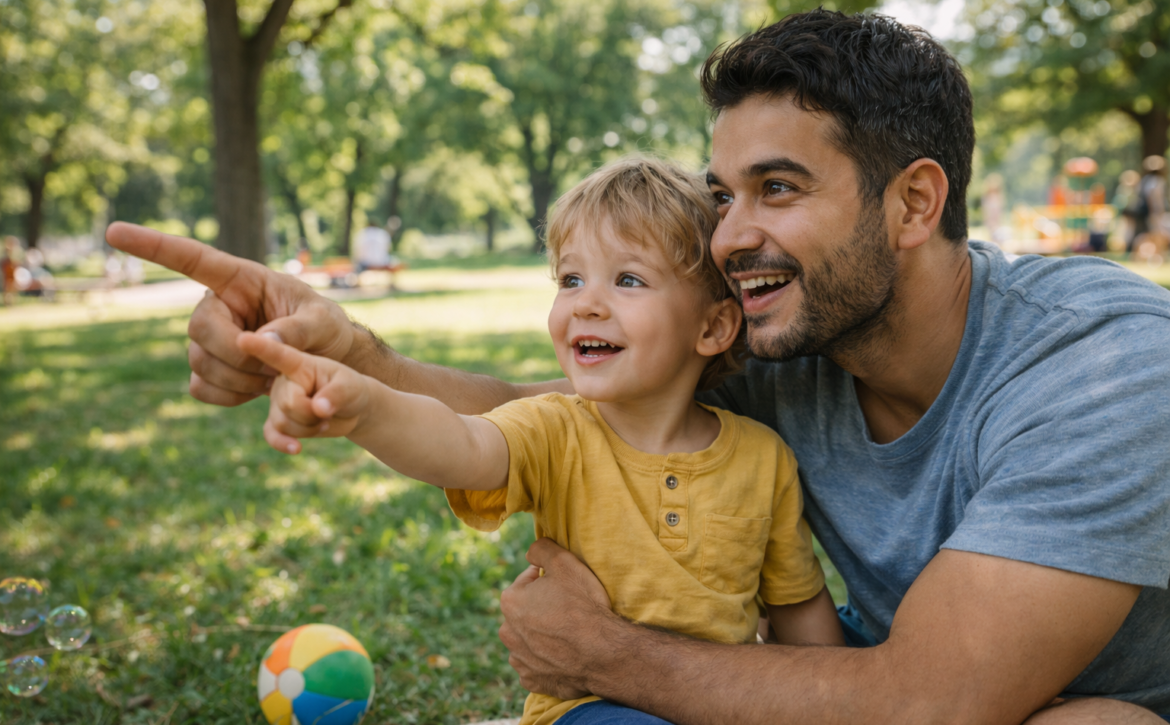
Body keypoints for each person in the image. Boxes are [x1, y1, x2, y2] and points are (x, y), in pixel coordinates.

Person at [105, 10, 1170, 723]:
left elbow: (932, 701)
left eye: (778, 189)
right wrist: (349, 355)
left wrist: (605, 652)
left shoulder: (1104, 367)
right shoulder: (793, 335)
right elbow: (551, 418)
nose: (729, 235)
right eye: (723, 194)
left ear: (915, 202)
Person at [236, 158, 843, 725]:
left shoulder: (763, 458)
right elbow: (458, 444)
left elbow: (798, 605)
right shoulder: (554, 428)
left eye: (628, 279)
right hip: (587, 707)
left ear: (712, 327)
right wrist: (366, 407)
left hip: (716, 702)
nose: (587, 304)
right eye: (571, 278)